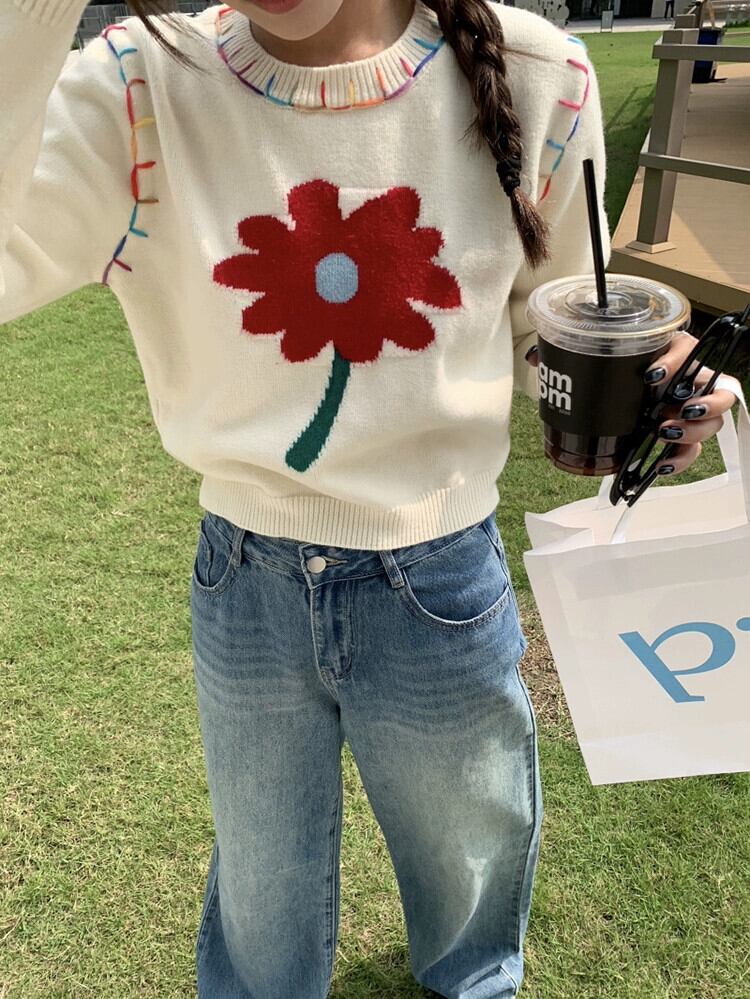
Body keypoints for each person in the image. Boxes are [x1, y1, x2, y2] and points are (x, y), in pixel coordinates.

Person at [0, 0, 737, 996]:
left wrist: (647, 380)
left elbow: (554, 315)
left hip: (440, 573)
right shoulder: (137, 83)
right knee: (263, 883)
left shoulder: (538, 73)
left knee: (470, 847)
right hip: (245, 577)